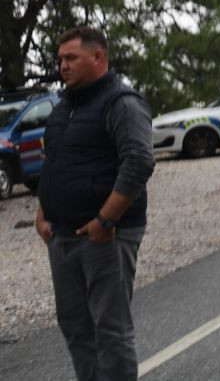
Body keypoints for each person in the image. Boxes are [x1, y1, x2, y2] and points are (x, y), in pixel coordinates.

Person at [35, 26, 156, 380]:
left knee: (110, 329)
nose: (63, 66)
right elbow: (52, 163)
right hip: (61, 235)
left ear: (98, 57)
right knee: (75, 325)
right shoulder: (62, 109)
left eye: (71, 58)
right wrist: (43, 214)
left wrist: (105, 221)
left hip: (106, 235)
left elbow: (138, 162)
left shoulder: (123, 103)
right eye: (60, 59)